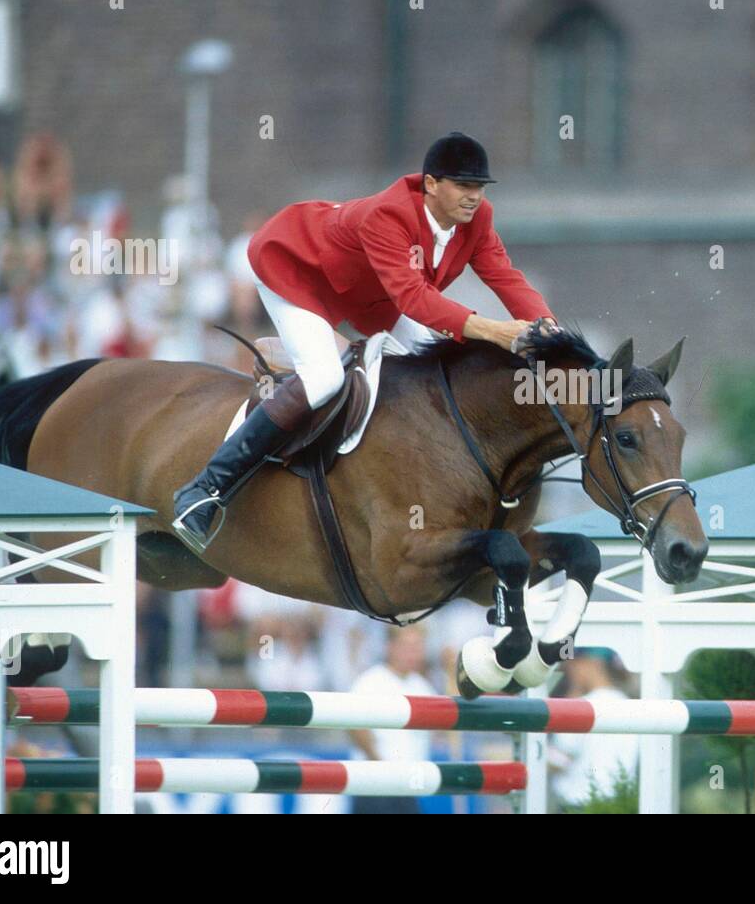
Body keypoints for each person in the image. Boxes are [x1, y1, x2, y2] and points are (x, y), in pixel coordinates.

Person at [171, 131, 558, 553]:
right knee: (323, 379)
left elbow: (505, 277)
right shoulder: (389, 215)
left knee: (438, 375)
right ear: (431, 184)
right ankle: (206, 488)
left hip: (370, 294)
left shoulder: (477, 220)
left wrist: (548, 327)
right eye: (463, 186)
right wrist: (500, 331)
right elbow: (415, 298)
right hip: (295, 268)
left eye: (479, 187)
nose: (473, 197)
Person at [347, 626, 436, 814]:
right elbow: (355, 727)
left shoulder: (423, 686)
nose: (414, 653)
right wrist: (381, 767)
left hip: (408, 786)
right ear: (390, 646)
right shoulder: (370, 681)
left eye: (418, 646)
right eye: (408, 646)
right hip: (375, 786)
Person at [549, 649, 639, 807]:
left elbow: (558, 760)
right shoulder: (629, 705)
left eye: (571, 666)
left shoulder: (581, 706)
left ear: (587, 663)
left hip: (578, 805)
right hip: (618, 803)